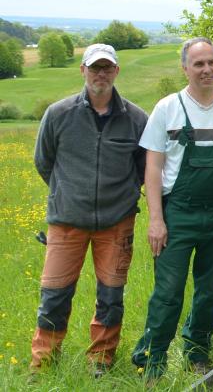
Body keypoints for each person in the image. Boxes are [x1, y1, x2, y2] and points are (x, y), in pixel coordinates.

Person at [129, 38, 213, 380]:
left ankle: (198, 353)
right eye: (198, 64)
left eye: (211, 62)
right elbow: (152, 167)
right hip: (177, 212)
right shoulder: (168, 108)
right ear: (185, 68)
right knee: (168, 293)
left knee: (211, 290)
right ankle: (153, 359)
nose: (207, 69)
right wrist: (156, 219)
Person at [31, 44, 148, 376]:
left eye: (106, 68)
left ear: (116, 71)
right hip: (67, 222)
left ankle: (101, 361)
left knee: (110, 296)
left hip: (117, 224)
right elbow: (44, 162)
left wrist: (123, 199)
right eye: (94, 67)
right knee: (54, 294)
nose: (101, 74)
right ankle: (43, 363)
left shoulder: (137, 118)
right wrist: (69, 194)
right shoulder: (58, 113)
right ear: (82, 70)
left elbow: (144, 168)